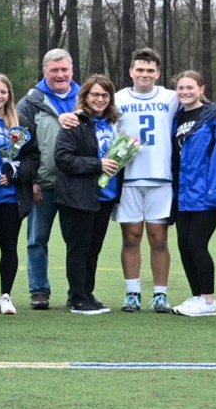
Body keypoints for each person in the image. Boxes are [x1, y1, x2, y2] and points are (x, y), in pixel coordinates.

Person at [114, 48, 178, 313]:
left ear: (158, 73)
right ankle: (133, 294)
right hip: (128, 178)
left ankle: (160, 295)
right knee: (131, 238)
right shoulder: (117, 99)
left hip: (161, 178)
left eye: (150, 70)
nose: (145, 74)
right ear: (131, 71)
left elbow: (199, 105)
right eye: (139, 69)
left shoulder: (171, 97)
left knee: (158, 238)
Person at [53, 75, 123, 315]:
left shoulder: (113, 123)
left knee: (93, 249)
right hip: (78, 197)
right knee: (79, 249)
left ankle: (86, 293)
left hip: (104, 197)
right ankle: (77, 298)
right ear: (85, 96)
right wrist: (97, 164)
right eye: (95, 94)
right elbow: (63, 159)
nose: (100, 99)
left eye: (105, 95)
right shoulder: (74, 122)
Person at [169, 71, 216, 317]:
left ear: (201, 89)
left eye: (190, 87)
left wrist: (215, 190)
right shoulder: (176, 117)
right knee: (184, 245)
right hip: (183, 193)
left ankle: (209, 300)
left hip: (207, 193)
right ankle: (197, 296)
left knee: (197, 244)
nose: (185, 92)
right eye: (181, 88)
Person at [16, 48, 78, 309]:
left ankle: (78, 292)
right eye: (54, 70)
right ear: (44, 72)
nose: (60, 74)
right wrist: (31, 180)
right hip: (42, 185)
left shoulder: (86, 98)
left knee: (76, 242)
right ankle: (39, 291)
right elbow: (20, 147)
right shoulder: (29, 103)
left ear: (72, 70)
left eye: (64, 69)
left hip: (76, 185)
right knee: (36, 239)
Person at [0, 74, 37, 315]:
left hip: (11, 198)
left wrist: (15, 173)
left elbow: (33, 157)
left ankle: (6, 295)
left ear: (9, 95)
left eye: (3, 92)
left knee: (9, 247)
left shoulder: (19, 122)